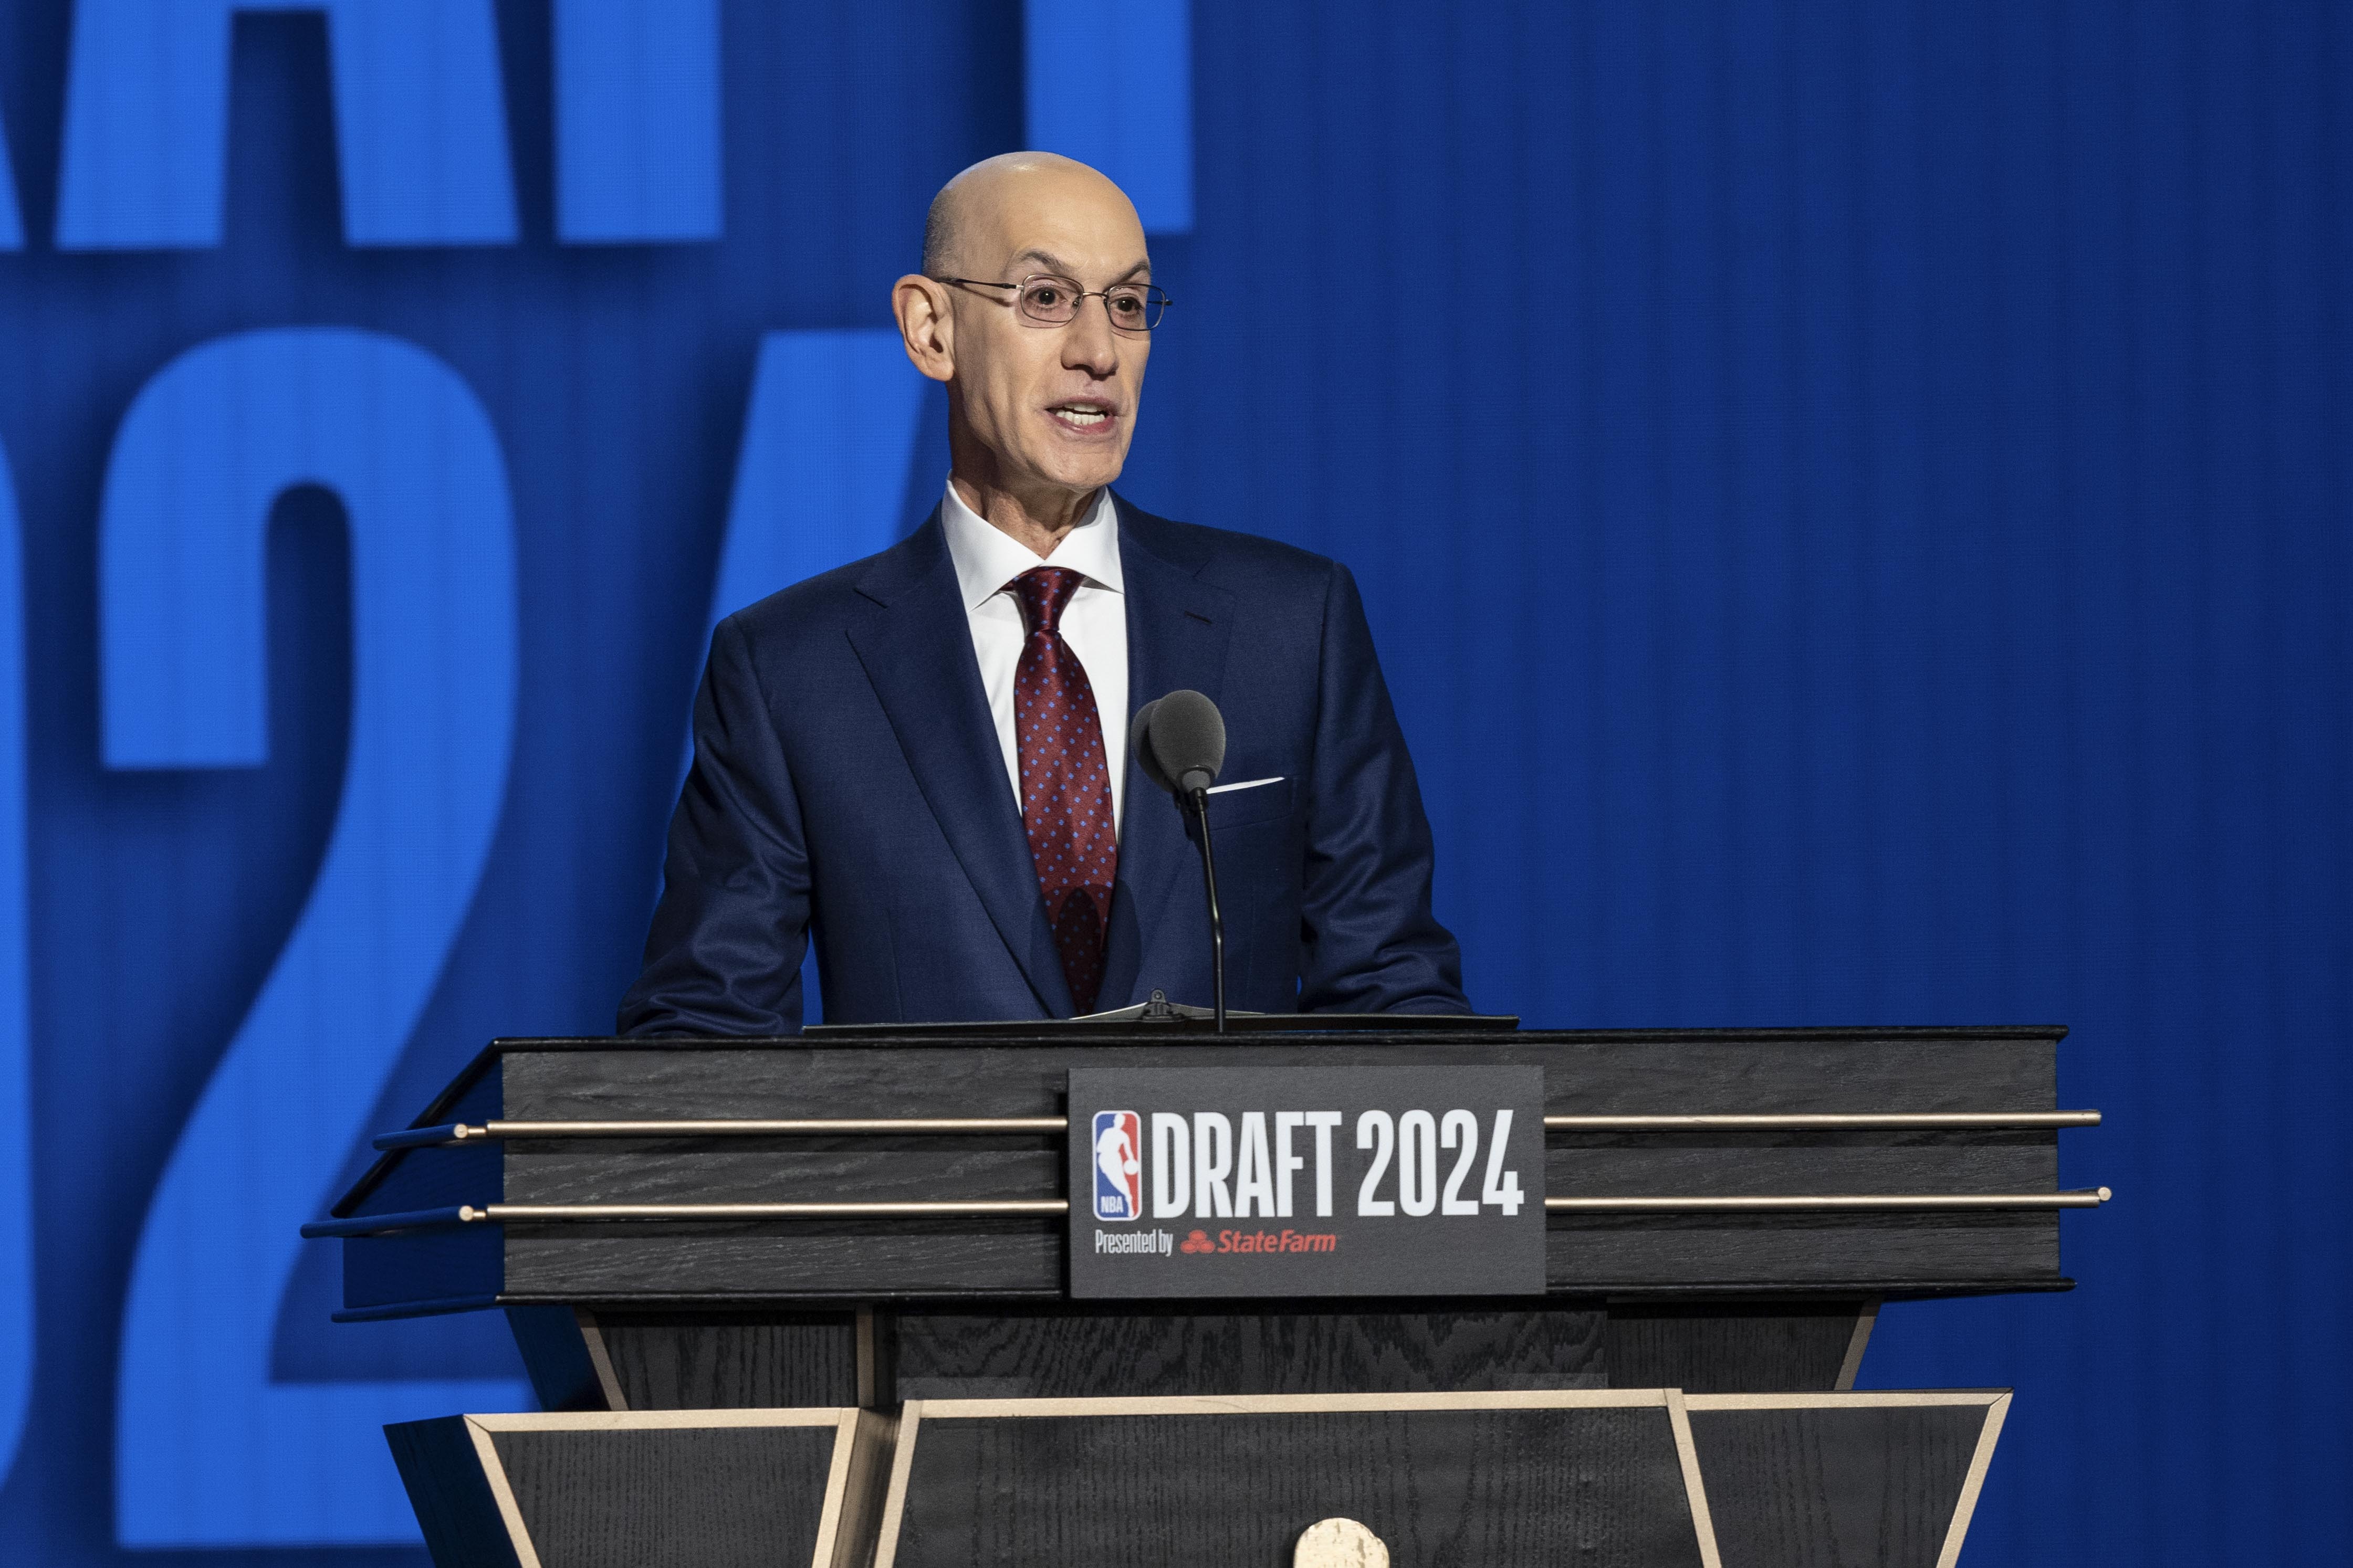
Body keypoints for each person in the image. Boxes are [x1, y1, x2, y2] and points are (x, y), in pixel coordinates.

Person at [619, 153, 1466, 1033]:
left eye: (1127, 305)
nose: (1097, 352)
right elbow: (704, 1027)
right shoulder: (790, 668)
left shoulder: (1291, 625)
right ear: (931, 330)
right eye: (1046, 298)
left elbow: (1395, 996)